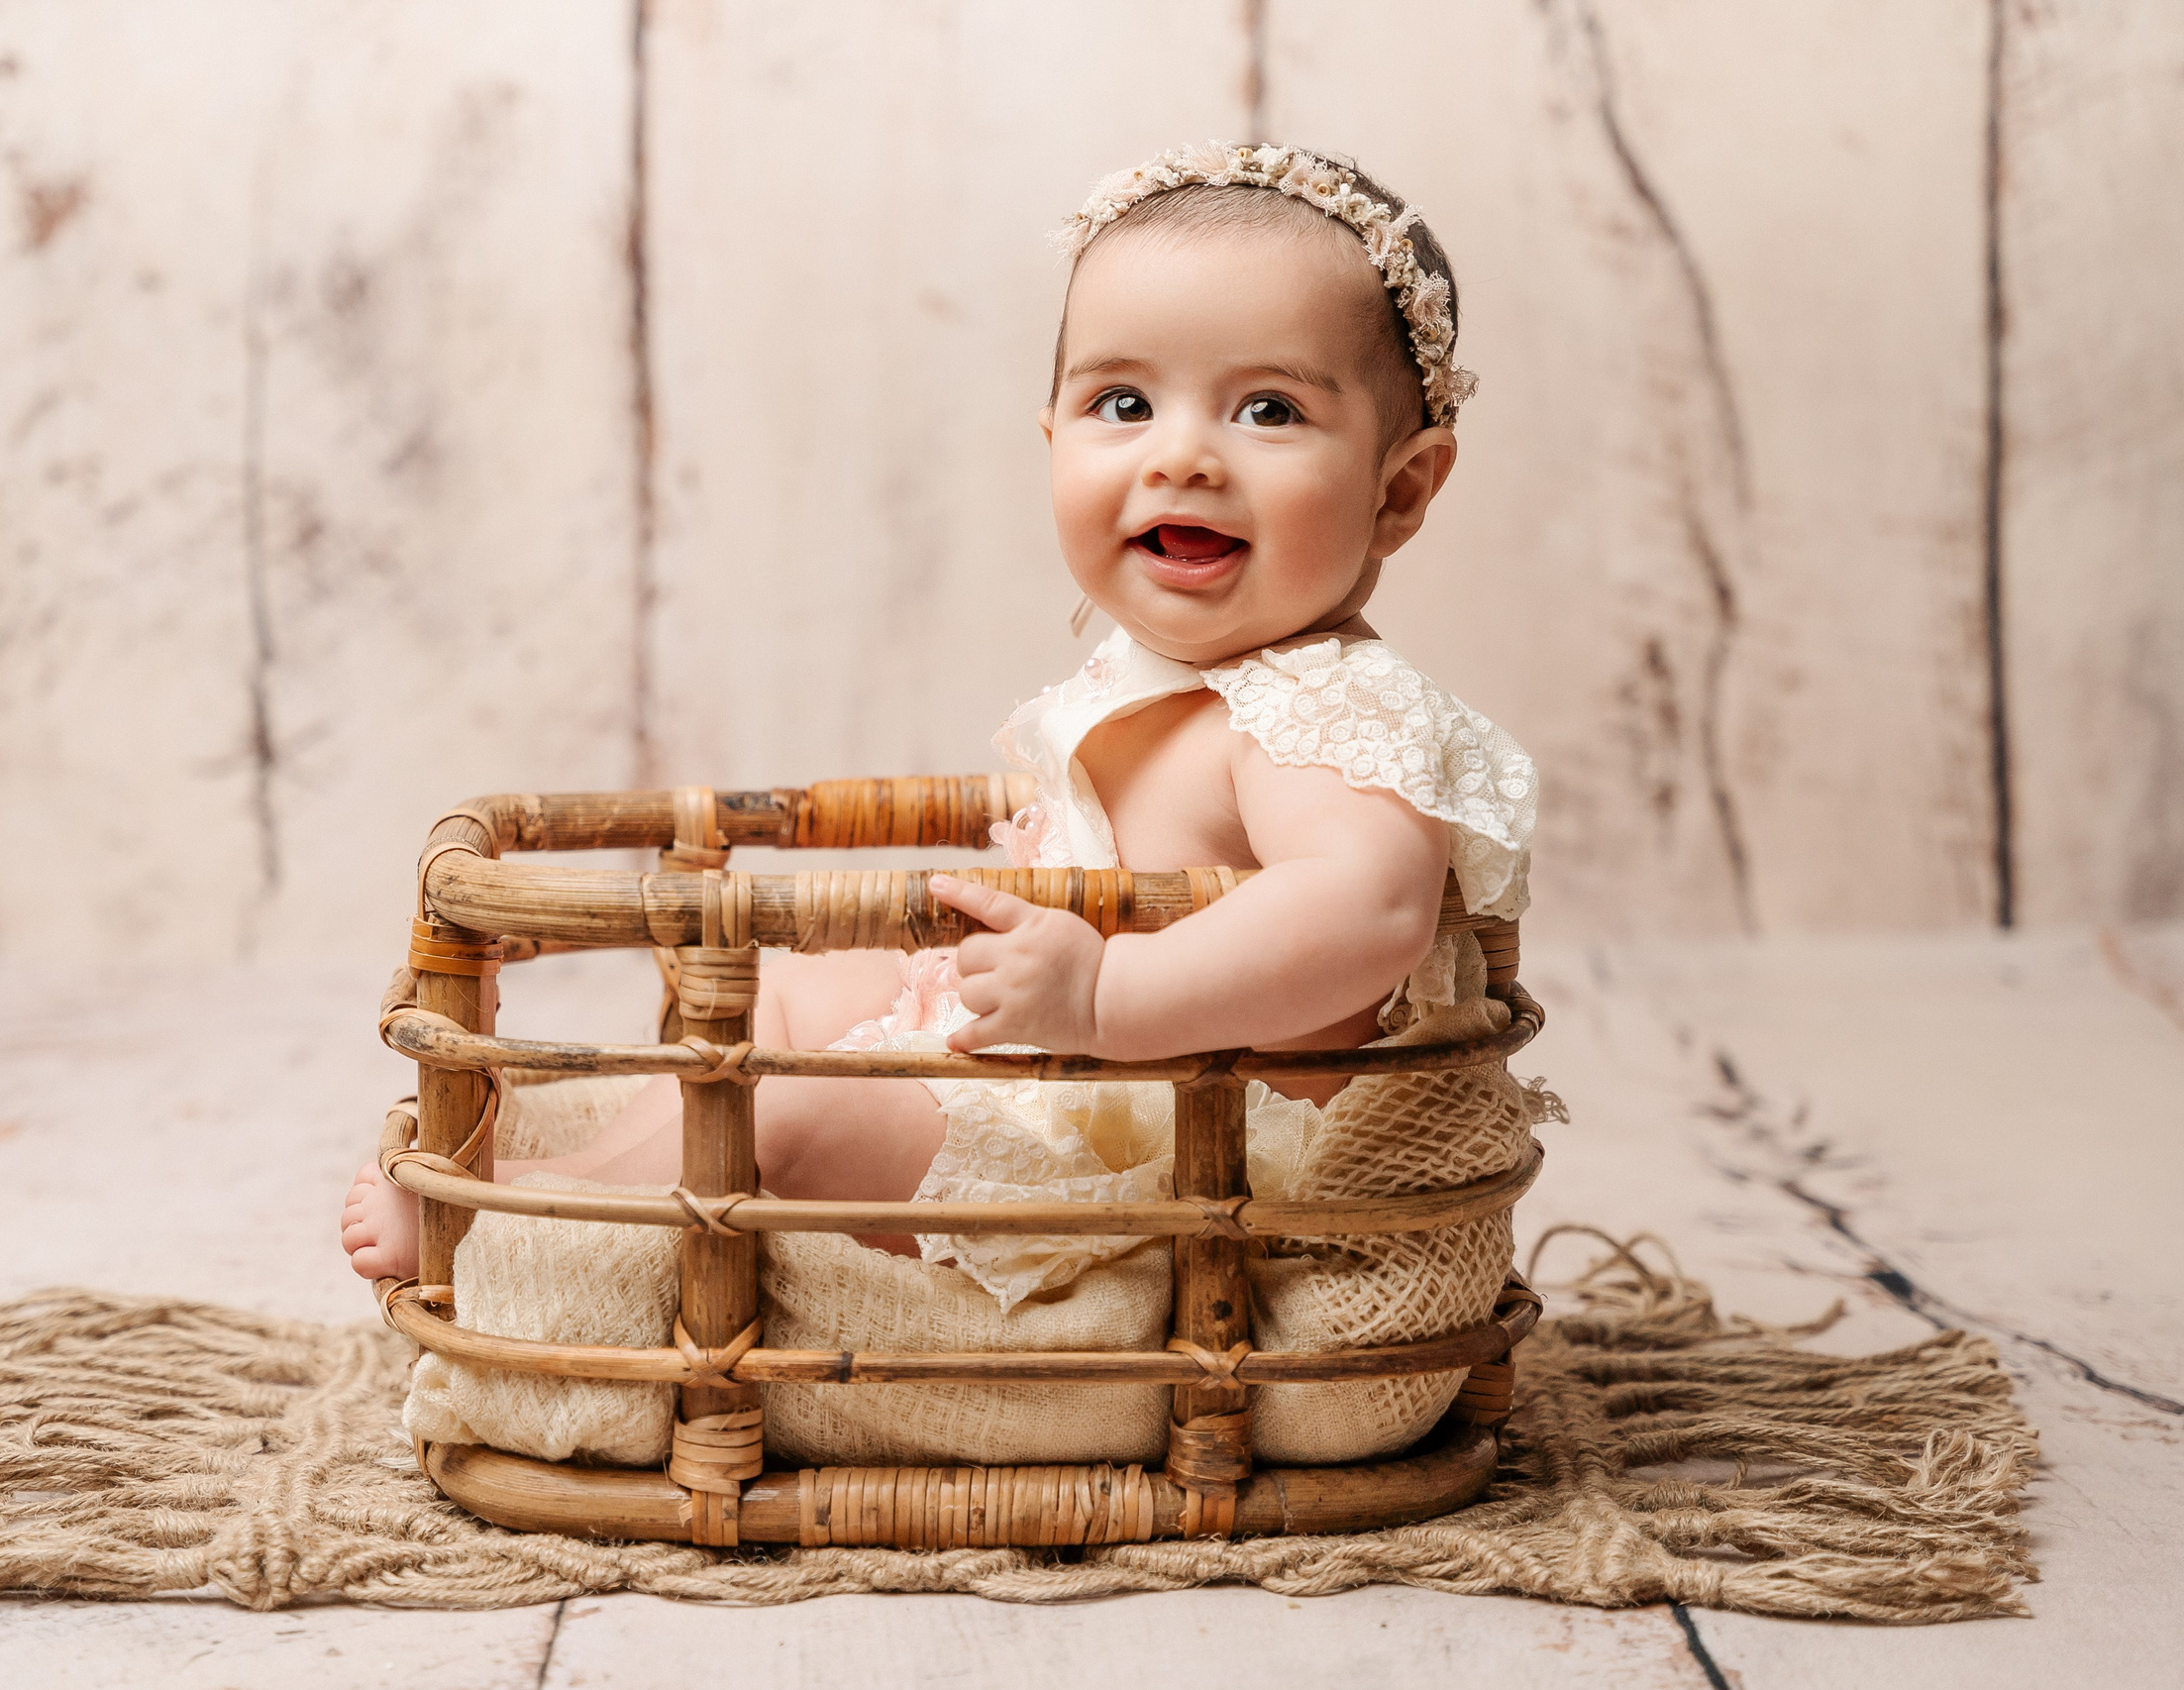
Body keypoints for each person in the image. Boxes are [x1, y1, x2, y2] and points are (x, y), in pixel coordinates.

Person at [343, 143, 1534, 1310]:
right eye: (1123, 401)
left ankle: (530, 1224)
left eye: (1267, 409)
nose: (1181, 456)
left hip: (1167, 1160)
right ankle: (592, 1178)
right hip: (1059, 1071)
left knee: (793, 1107)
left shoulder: (1328, 702)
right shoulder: (1157, 674)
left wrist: (1112, 993)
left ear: (1399, 490)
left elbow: (1366, 908)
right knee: (793, 997)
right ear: (1054, 438)